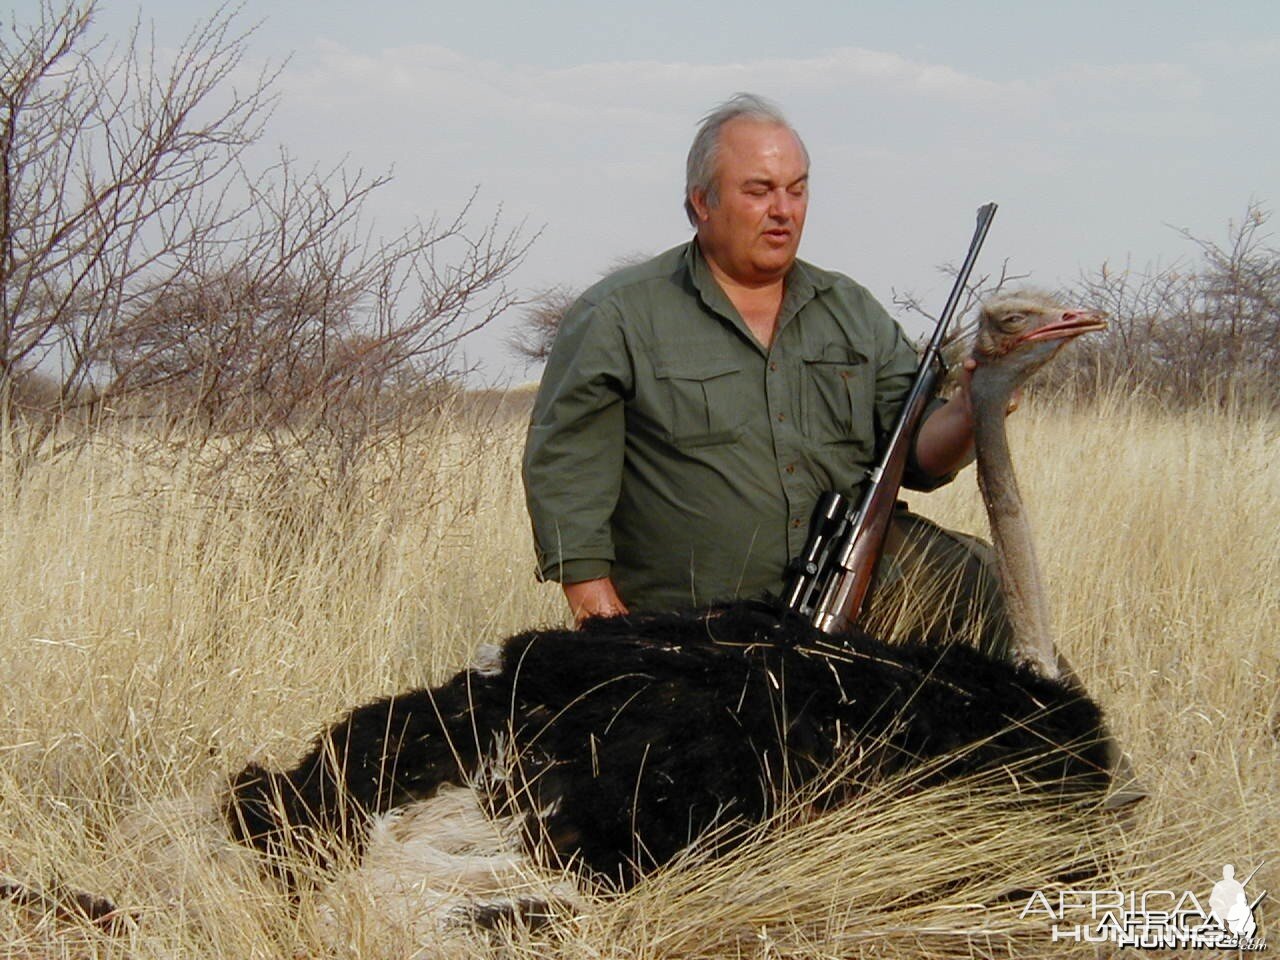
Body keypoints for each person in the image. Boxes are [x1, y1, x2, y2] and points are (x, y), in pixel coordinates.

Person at [522, 93, 1010, 655]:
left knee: (987, 595)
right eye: (759, 190)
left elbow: (919, 455)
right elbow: (566, 472)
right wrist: (605, 626)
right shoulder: (616, 315)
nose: (784, 209)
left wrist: (975, 407)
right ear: (701, 202)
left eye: (797, 189)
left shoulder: (852, 310)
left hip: (852, 614)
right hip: (689, 636)